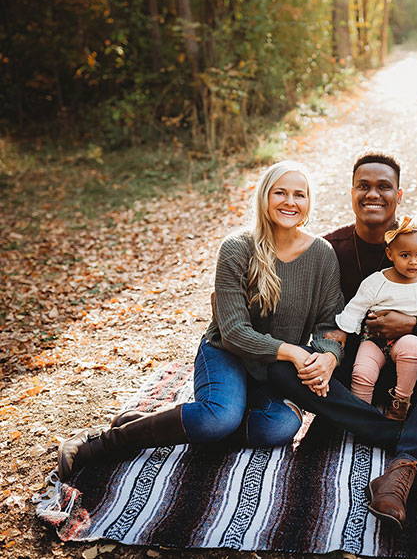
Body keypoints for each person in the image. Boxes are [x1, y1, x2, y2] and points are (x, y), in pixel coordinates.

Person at [57, 160, 344, 481]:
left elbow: (329, 323)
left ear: (308, 203)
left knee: (279, 427)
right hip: (226, 353)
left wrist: (328, 356)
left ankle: (171, 422)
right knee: (218, 419)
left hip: (272, 371)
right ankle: (102, 443)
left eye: (299, 195)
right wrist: (292, 351)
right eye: (280, 192)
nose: (290, 202)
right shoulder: (237, 248)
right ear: (265, 198)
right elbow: (234, 332)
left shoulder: (322, 253)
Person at [268, 151, 417, 528]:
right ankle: (416, 432)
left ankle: (402, 472)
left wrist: (413, 325)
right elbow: (315, 322)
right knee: (282, 366)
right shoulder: (329, 249)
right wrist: (326, 356)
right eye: (363, 186)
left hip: (412, 375)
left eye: (384, 187)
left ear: (398, 196)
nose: (373, 195)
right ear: (351, 193)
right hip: (355, 370)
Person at [334, 215, 417, 421]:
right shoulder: (376, 282)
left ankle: (401, 403)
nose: (413, 261)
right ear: (390, 254)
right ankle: (359, 414)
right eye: (405, 255)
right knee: (362, 372)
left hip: (409, 339)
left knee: (411, 348)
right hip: (374, 339)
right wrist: (343, 330)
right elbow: (356, 307)